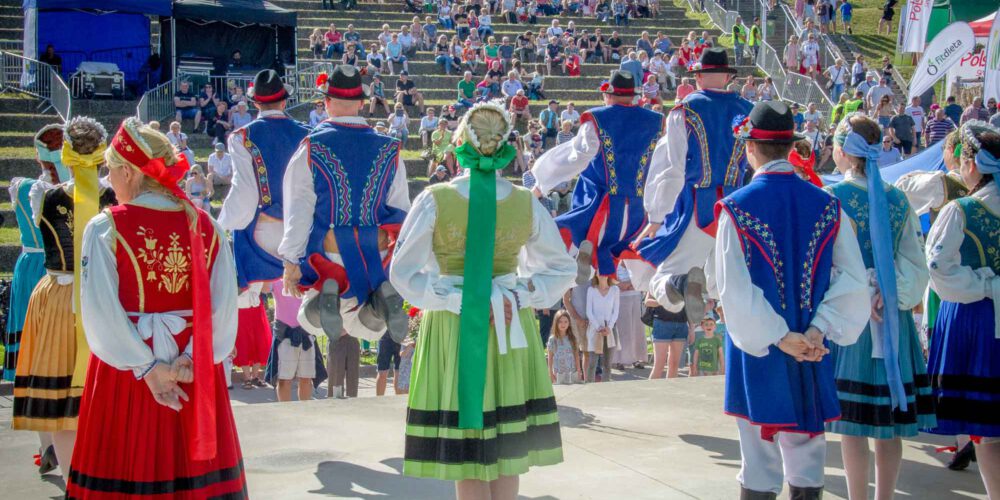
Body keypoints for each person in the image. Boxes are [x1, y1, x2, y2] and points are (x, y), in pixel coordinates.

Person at [390, 101, 575, 496]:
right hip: (510, 319)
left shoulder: (435, 199)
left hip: (454, 325)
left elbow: (402, 273)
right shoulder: (527, 201)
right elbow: (562, 269)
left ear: (460, 143)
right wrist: (522, 293)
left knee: (467, 445)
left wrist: (451, 298)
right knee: (506, 445)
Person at [66, 116, 246, 498]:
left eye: (110, 171)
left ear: (130, 172)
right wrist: (192, 359)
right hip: (191, 373)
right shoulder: (205, 225)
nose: (108, 183)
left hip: (127, 373)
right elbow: (224, 309)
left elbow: (98, 311)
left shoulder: (106, 228)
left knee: (126, 465)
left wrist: (148, 367)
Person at [715, 101, 870, 500]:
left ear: (750, 148)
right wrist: (817, 330)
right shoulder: (828, 205)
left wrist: (780, 337)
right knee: (807, 448)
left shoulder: (736, 208)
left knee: (757, 451)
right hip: (812, 346)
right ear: (790, 147)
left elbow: (733, 289)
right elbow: (854, 279)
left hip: (759, 348)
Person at [823, 112, 937, 500]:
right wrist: (889, 293)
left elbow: (827, 265)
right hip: (890, 316)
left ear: (841, 151)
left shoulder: (833, 197)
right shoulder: (897, 198)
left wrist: (859, 294)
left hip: (852, 318)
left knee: (853, 424)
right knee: (888, 421)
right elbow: (914, 263)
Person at [280, 65, 410, 345]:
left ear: (326, 103)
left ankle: (326, 300)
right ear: (362, 104)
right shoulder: (390, 148)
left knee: (306, 318)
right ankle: (377, 306)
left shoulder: (311, 146)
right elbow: (400, 208)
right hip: (374, 252)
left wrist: (291, 260)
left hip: (328, 251)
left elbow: (299, 209)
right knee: (370, 329)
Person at [631, 49, 751, 324]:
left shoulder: (685, 109)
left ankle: (676, 286)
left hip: (699, 203)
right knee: (726, 276)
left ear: (699, 76)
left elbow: (670, 168)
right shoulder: (750, 111)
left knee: (664, 274)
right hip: (736, 204)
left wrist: (656, 215)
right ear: (727, 76)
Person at [531, 69, 663, 295]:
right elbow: (661, 164)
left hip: (598, 204)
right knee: (640, 262)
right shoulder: (656, 121)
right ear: (633, 95)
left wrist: (541, 182)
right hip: (637, 212)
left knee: (561, 236)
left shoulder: (599, 119)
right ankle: (669, 287)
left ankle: (557, 276)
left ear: (608, 95)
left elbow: (578, 155)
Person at [923, 120, 1000, 498]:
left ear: (971, 163)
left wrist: (984, 285)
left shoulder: (962, 210)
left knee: (986, 431)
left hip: (974, 319)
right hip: (984, 315)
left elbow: (938, 268)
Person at [218, 71, 309, 387]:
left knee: (232, 277)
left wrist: (220, 225)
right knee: (302, 293)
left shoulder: (242, 137)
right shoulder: (308, 134)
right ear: (285, 99)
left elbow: (244, 195)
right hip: (301, 234)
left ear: (254, 101)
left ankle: (226, 356)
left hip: (260, 235)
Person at [4, 125, 60, 384]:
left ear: (38, 156)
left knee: (28, 319)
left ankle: (23, 373)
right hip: (57, 263)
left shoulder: (20, 187)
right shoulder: (70, 191)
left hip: (30, 263)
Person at [612, 265, 646, 369]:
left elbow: (641, 276)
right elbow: (610, 277)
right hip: (620, 297)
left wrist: (632, 284)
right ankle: (619, 360)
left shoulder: (633, 258)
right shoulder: (614, 256)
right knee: (622, 329)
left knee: (636, 328)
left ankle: (635, 358)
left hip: (635, 296)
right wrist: (620, 284)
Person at [548, 310, 582, 384]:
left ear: (569, 323)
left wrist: (579, 370)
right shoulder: (553, 339)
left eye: (566, 322)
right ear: (556, 323)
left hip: (571, 371)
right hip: (558, 372)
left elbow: (576, 355)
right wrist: (550, 372)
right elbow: (550, 357)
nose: (563, 324)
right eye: (560, 321)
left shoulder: (572, 338)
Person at [375, 331, 401, 396]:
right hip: (385, 337)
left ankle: (399, 401)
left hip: (402, 335)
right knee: (382, 373)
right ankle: (379, 401)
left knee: (399, 372)